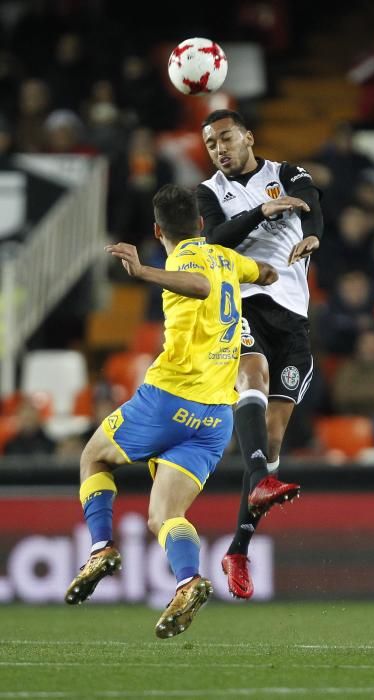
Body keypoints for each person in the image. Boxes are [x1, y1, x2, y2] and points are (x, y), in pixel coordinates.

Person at [64, 183, 285, 638]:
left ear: (157, 229)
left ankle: (101, 546)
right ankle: (188, 580)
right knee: (164, 516)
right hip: (214, 418)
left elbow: (199, 285)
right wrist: (262, 273)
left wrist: (143, 272)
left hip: (170, 399)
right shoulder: (225, 257)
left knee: (94, 456)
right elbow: (266, 274)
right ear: (202, 224)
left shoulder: (181, 258)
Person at [197, 109, 324, 599]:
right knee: (253, 369)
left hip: (292, 316)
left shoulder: (285, 173)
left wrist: (314, 232)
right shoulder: (211, 192)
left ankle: (238, 550)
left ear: (248, 136)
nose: (219, 149)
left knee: (270, 447)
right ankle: (256, 484)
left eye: (225, 138)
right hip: (243, 302)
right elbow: (213, 240)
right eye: (210, 144)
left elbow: (311, 201)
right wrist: (262, 213)